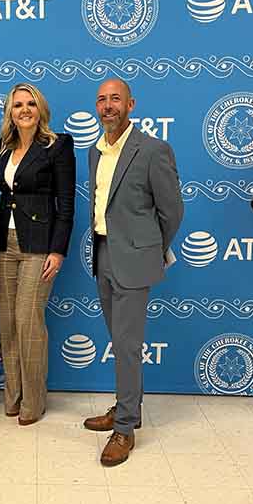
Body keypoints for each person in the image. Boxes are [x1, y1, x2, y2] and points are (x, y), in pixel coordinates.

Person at [83, 79, 183, 466]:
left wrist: (150, 250)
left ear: (131, 105)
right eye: (102, 100)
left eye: (115, 99)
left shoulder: (153, 150)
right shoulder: (95, 151)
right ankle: (129, 407)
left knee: (126, 345)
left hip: (135, 260)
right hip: (104, 254)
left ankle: (124, 428)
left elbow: (172, 211)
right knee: (119, 340)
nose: (108, 106)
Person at [0, 83, 75, 426]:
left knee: (28, 322)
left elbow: (65, 203)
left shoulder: (58, 145)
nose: (24, 109)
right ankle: (13, 396)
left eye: (31, 104)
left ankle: (33, 402)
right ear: (10, 112)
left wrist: (58, 249)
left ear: (41, 110)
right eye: (18, 104)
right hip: (3, 246)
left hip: (39, 245)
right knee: (8, 325)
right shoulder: (3, 149)